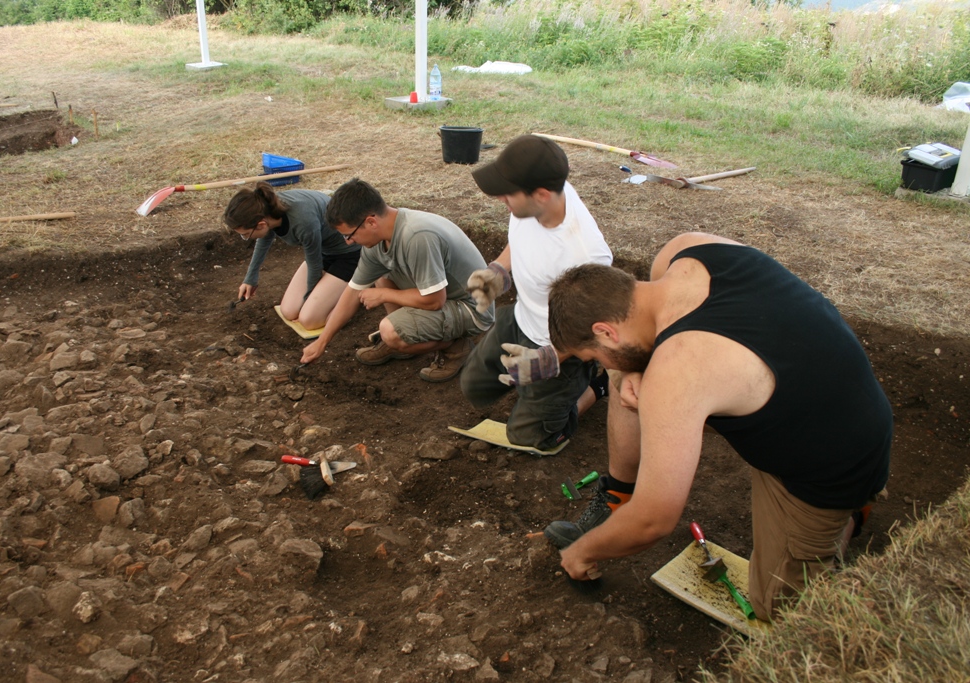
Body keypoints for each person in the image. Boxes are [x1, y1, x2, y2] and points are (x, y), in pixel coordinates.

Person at [543, 232, 892, 621]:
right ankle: (617, 493)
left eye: (595, 355)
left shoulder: (679, 367)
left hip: (833, 462)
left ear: (606, 331)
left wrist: (582, 552)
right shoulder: (685, 250)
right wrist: (637, 371)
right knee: (631, 378)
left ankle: (848, 516)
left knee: (780, 610)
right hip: (838, 395)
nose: (605, 365)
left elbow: (654, 519)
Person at [460, 134, 613, 451]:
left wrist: (549, 360)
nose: (501, 198)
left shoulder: (586, 256)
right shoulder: (538, 198)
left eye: (507, 193)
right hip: (521, 318)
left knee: (531, 440)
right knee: (474, 388)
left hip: (559, 345)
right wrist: (499, 271)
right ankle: (539, 396)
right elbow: (522, 239)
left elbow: (593, 328)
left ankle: (593, 389)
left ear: (541, 195)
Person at [300, 178, 494, 382]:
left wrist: (383, 295)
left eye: (349, 235)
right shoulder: (380, 238)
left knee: (389, 329)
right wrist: (321, 342)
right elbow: (353, 291)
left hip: (472, 308)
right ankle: (403, 341)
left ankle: (455, 348)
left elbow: (435, 300)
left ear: (371, 221)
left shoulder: (417, 236)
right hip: (446, 297)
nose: (348, 242)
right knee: (381, 275)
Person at [223, 182, 361, 330]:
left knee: (309, 320)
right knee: (288, 311)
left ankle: (357, 292)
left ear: (261, 224)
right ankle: (334, 293)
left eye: (245, 234)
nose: (246, 238)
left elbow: (315, 266)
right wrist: (251, 278)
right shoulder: (267, 208)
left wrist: (308, 301)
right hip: (323, 250)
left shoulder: (302, 221)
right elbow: (264, 238)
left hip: (349, 254)